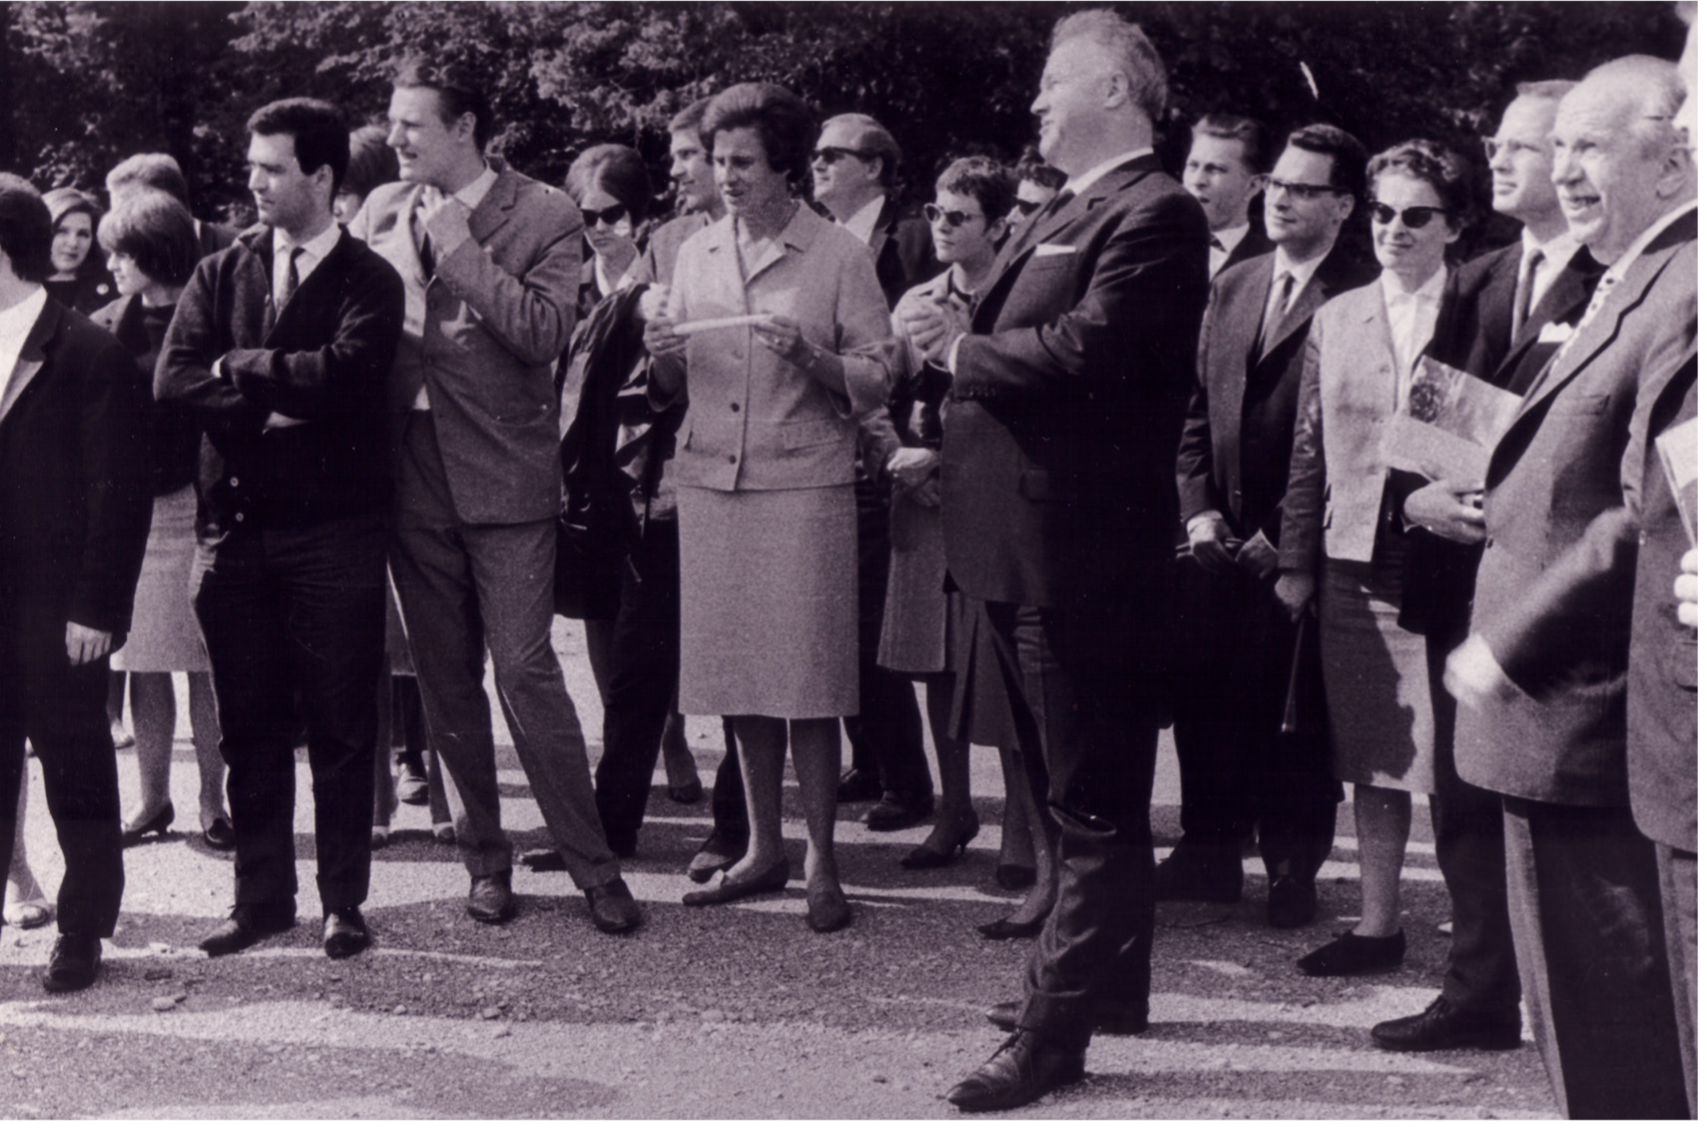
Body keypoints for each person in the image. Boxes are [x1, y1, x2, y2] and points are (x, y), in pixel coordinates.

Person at [913, 11, 1208, 1110]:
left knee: (1091, 802)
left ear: (1119, 96)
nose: (1035, 101)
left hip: (1078, 550)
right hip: (1014, 543)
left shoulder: (1157, 211)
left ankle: (1051, 1037)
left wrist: (962, 352)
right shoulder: (1075, 208)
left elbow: (1094, 351)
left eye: (1053, 82)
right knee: (1056, 780)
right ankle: (1107, 985)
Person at [1444, 54, 1696, 1120]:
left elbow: (1650, 510)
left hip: (1585, 713)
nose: (1568, 169)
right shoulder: (1625, 277)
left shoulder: (1679, 285)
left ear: (1672, 156)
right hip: (1565, 718)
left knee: (1615, 1043)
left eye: (1592, 144)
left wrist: (1514, 641)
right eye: (1562, 148)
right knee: (1590, 1031)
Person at [348, 59, 641, 934]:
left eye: (412, 124)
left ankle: (594, 865)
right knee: (445, 680)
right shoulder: (377, 212)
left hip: (508, 475)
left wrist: (461, 249)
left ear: (466, 127)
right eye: (392, 122)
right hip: (412, 472)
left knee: (525, 668)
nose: (395, 138)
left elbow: (544, 332)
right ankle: (484, 858)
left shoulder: (547, 212)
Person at [1372, 81, 1603, 1054]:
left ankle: (1582, 1013)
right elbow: (1426, 435)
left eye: (1521, 145)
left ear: (1574, 160)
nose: (1495, 160)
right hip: (1457, 577)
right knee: (1461, 793)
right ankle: (1477, 992)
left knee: (1560, 797)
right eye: (1496, 144)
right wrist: (1413, 505)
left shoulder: (1615, 279)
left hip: (1556, 584)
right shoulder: (1475, 278)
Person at [156, 98, 404, 961]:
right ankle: (262, 897)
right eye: (251, 164)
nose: (253, 180)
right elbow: (175, 378)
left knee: (341, 723)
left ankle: (344, 902)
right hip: (235, 534)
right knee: (248, 727)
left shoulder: (371, 281)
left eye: (271, 167)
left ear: (323, 177)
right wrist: (263, 411)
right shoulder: (221, 272)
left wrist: (242, 366)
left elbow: (346, 377)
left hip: (335, 533)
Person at [642, 81, 892, 934]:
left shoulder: (836, 255)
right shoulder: (694, 252)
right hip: (713, 483)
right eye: (717, 161)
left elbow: (878, 376)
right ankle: (762, 846)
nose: (727, 175)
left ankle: (822, 855)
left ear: (786, 163)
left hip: (804, 484)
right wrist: (663, 356)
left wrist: (816, 357)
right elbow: (672, 384)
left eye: (743, 161)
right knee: (739, 677)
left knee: (811, 680)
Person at [1275, 140, 1473, 977]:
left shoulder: (1477, 305)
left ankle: (1480, 937)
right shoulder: (1339, 314)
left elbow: (1452, 443)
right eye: (1384, 211)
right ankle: (1378, 923)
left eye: (1417, 214)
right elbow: (1308, 447)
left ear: (1455, 226)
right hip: (1352, 557)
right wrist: (1295, 559)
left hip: (1452, 557)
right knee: (1375, 750)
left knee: (1462, 759)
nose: (1395, 227)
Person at [1169, 123, 1375, 924]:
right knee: (1204, 696)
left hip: (1305, 547)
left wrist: (1290, 541)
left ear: (1344, 205)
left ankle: (1293, 864)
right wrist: (1198, 510)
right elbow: (1196, 408)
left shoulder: (1359, 292)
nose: (1283, 197)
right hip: (1215, 543)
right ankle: (1208, 849)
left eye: (1305, 188)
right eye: (1279, 184)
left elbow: (1349, 439)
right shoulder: (1236, 282)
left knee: (1294, 711)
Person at [0, 174, 152, 992]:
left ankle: (83, 928)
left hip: (59, 611)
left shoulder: (89, 352)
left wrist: (97, 606)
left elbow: (117, 494)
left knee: (76, 767)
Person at [882, 156, 1014, 872]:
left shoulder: (1017, 296)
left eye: (958, 216)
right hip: (924, 501)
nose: (941, 227)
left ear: (998, 224)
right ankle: (953, 807)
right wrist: (904, 456)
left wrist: (944, 461)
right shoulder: (915, 302)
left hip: (987, 498)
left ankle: (1023, 827)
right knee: (932, 663)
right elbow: (889, 391)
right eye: (935, 213)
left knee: (996, 662)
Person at [90, 190, 232, 852]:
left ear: (154, 250)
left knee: (207, 661)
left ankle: (214, 799)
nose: (111, 262)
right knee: (143, 660)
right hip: (131, 514)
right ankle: (152, 799)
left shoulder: (212, 315)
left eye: (122, 250)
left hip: (200, 509)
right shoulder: (105, 321)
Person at [809, 111, 935, 831]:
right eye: (815, 154)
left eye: (834, 155)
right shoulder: (822, 240)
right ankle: (874, 760)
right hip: (834, 442)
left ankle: (908, 783)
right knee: (843, 615)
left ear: (877, 167)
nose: (817, 165)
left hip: (895, 447)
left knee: (875, 619)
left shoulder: (913, 238)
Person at [565, 144, 650, 322]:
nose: (600, 227)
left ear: (633, 211)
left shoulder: (658, 278)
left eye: (612, 214)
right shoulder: (568, 290)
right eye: (588, 217)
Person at [1184, 113, 1273, 278]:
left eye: (1215, 169)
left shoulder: (1270, 263)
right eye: (1193, 165)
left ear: (1253, 186)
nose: (1197, 180)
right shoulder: (1150, 243)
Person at [106, 153, 234, 261]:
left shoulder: (234, 250)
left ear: (170, 206)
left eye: (130, 211)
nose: (120, 225)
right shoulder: (121, 263)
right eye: (116, 214)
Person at [42, 188, 115, 314]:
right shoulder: (17, 285)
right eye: (61, 231)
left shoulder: (113, 287)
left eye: (83, 234)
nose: (73, 243)